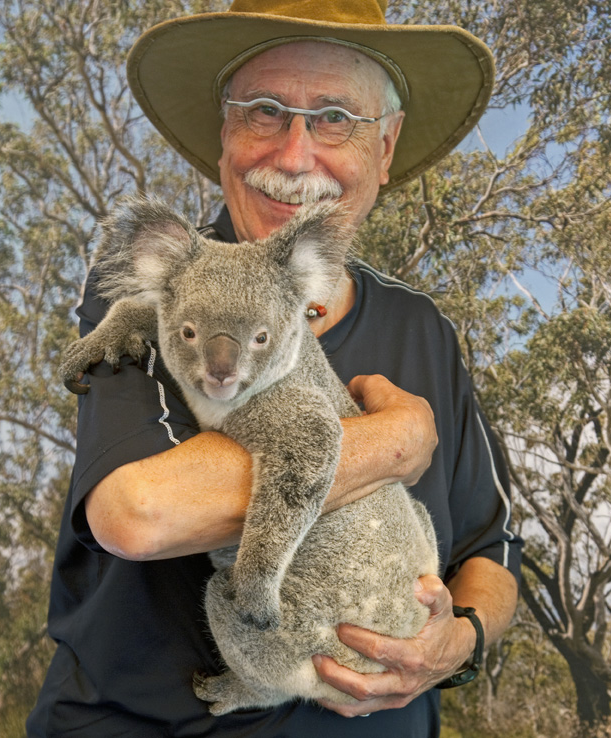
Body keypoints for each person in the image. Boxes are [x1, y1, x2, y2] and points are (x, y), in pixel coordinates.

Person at [27, 1, 523, 736]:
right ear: (223, 134)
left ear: (385, 150)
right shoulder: (158, 292)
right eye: (264, 111)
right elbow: (137, 514)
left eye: (335, 118)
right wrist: (394, 443)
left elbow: (491, 549)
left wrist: (460, 642)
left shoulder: (425, 330)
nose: (295, 157)